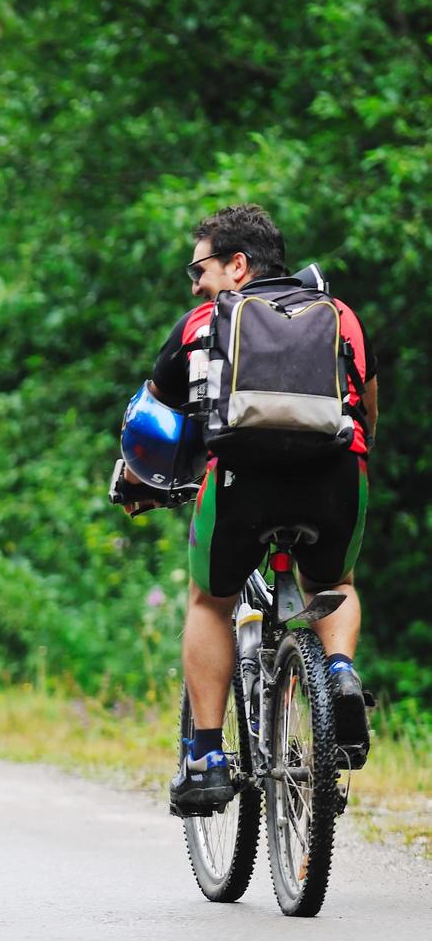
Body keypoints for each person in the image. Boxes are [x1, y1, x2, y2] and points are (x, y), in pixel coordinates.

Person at [122, 204, 378, 814]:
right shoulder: (341, 316)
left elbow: (152, 416)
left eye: (200, 267)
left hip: (242, 481)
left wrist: (137, 481)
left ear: (238, 265)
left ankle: (207, 757)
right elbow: (366, 409)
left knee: (211, 600)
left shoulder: (200, 323)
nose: (195, 283)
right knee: (335, 581)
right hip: (337, 473)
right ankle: (338, 672)